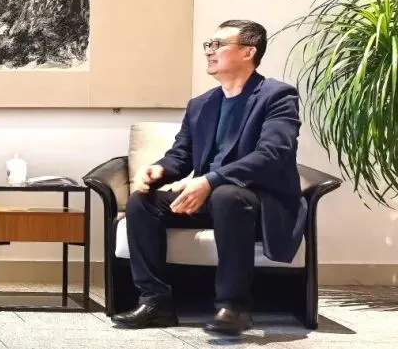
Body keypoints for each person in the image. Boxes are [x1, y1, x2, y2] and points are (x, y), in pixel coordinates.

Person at [112, 20, 306, 335]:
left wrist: (211, 180)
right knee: (141, 202)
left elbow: (273, 154)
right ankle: (155, 302)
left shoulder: (277, 96)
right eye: (209, 45)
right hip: (209, 197)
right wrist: (159, 170)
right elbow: (181, 155)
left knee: (227, 195)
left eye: (219, 45)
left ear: (248, 52)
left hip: (257, 201)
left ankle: (234, 307)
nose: (209, 51)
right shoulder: (202, 104)